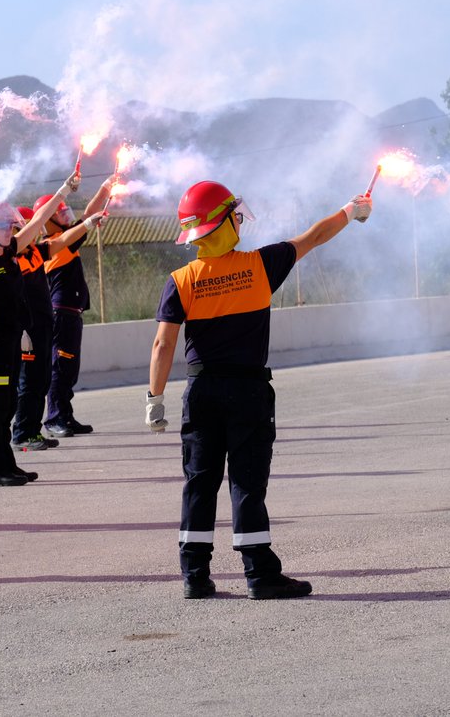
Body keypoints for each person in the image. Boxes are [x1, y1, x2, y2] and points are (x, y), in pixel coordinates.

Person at [146, 180, 372, 600]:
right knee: (247, 482)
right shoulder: (260, 265)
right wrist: (351, 210)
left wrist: (154, 399)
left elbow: (163, 344)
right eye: (234, 216)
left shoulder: (180, 280)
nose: (238, 220)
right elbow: (315, 236)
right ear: (225, 223)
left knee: (200, 481)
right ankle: (259, 574)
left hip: (201, 391)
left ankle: (195, 575)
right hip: (247, 391)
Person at [0, 173, 103, 484]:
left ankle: (7, 465)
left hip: (15, 338)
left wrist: (64, 190)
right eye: (4, 226)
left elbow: (41, 219)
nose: (11, 229)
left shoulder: (12, 252)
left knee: (10, 402)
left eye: (11, 226)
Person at [10, 205, 104, 452]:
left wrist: (88, 220)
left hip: (53, 321)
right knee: (40, 378)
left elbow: (73, 230)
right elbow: (67, 237)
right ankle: (38, 425)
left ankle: (44, 423)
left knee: (52, 376)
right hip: (41, 323)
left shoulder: (36, 253)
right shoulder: (29, 255)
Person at [37, 174, 115, 438]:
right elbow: (87, 219)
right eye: (59, 214)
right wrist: (91, 218)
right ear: (47, 220)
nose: (67, 217)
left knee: (69, 368)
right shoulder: (53, 245)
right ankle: (55, 418)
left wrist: (105, 188)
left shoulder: (64, 241)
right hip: (61, 315)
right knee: (61, 366)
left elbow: (87, 217)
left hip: (71, 314)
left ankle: (65, 415)